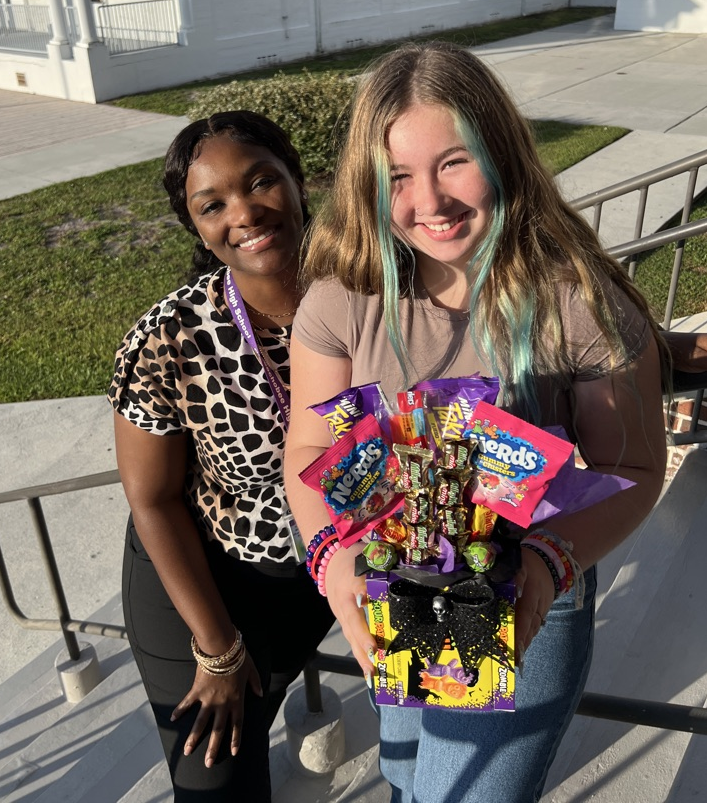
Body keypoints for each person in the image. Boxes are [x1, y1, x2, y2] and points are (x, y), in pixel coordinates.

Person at [283, 41, 670, 803]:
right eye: (397, 176)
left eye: (453, 162)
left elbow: (634, 470)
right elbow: (308, 444)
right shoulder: (341, 298)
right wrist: (334, 571)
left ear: (501, 153)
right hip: (393, 586)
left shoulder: (577, 303)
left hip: (528, 601)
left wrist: (548, 566)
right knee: (404, 780)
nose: (429, 202)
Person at [109, 111, 334, 802]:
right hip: (209, 583)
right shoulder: (169, 339)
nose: (244, 212)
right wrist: (218, 647)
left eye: (261, 180)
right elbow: (151, 499)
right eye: (213, 204)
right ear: (197, 227)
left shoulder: (370, 290)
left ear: (297, 182)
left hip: (332, 569)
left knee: (442, 735)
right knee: (218, 788)